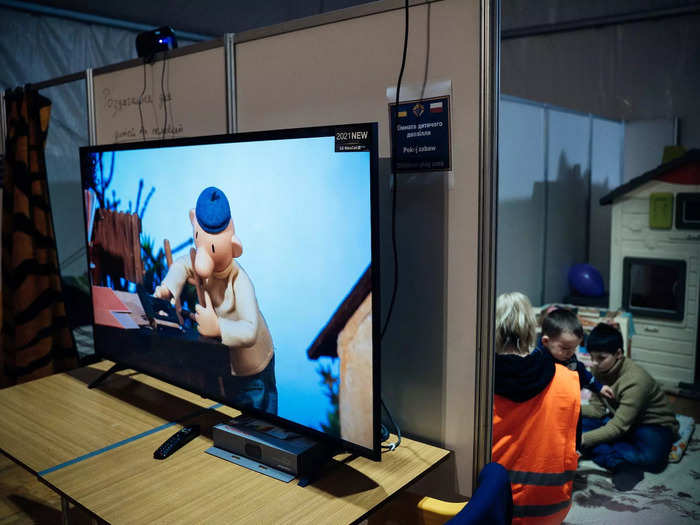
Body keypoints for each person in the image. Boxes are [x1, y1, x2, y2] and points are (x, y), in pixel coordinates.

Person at [155, 186, 277, 414]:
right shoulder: (202, 264)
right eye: (199, 240)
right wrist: (168, 288)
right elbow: (182, 264)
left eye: (211, 248)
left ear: (234, 246)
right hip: (227, 365)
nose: (202, 259)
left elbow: (250, 331)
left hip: (254, 368)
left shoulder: (239, 281)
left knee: (261, 422)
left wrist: (217, 327)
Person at [492, 292, 580, 525]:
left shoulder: (478, 385)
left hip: (492, 509)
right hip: (551, 511)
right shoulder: (568, 380)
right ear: (533, 330)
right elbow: (576, 446)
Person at [581, 323, 679, 491]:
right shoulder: (599, 370)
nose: (595, 363)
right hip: (621, 419)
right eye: (592, 357)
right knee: (576, 423)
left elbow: (618, 427)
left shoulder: (635, 380)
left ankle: (606, 453)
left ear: (618, 354)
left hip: (653, 425)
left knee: (654, 460)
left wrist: (583, 440)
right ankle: (620, 464)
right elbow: (597, 410)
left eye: (601, 358)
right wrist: (568, 408)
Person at [534, 308, 615, 400]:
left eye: (574, 348)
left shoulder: (570, 358)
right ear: (545, 341)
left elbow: (582, 373)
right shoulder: (537, 360)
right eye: (565, 348)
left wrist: (599, 387)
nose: (570, 353)